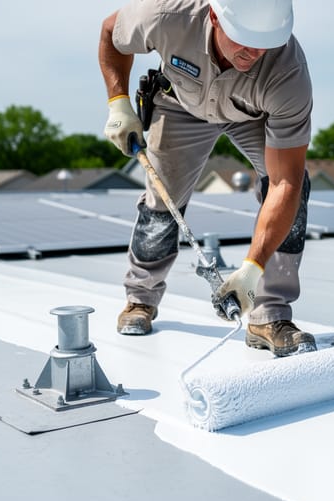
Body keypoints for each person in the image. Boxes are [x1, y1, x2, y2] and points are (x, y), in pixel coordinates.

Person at [99, 0, 314, 357]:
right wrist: (118, 103)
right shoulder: (166, 16)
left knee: (296, 189)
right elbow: (110, 34)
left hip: (249, 114)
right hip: (179, 103)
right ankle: (141, 298)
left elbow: (283, 184)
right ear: (214, 16)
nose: (252, 53)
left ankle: (269, 314)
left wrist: (251, 269)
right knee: (160, 205)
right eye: (242, 40)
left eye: (264, 44)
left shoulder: (287, 72)